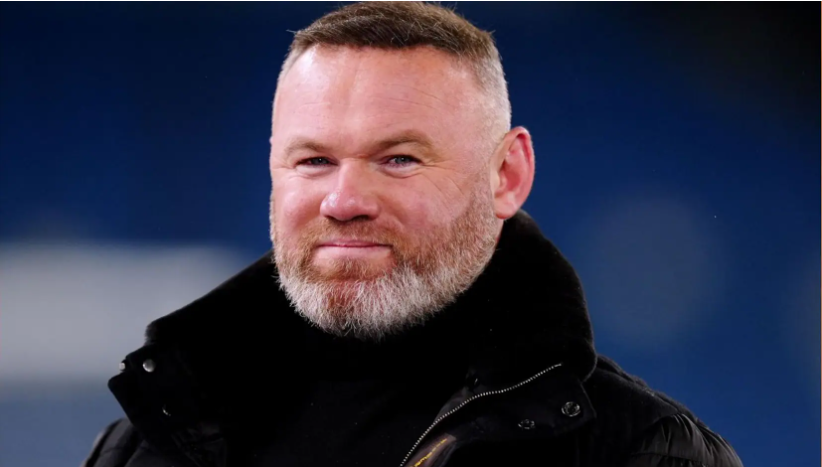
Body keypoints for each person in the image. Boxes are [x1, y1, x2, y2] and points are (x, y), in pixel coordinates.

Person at [82, 3, 744, 467]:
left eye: (398, 158)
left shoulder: (642, 451)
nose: (344, 201)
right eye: (314, 160)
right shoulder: (142, 444)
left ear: (507, 175)